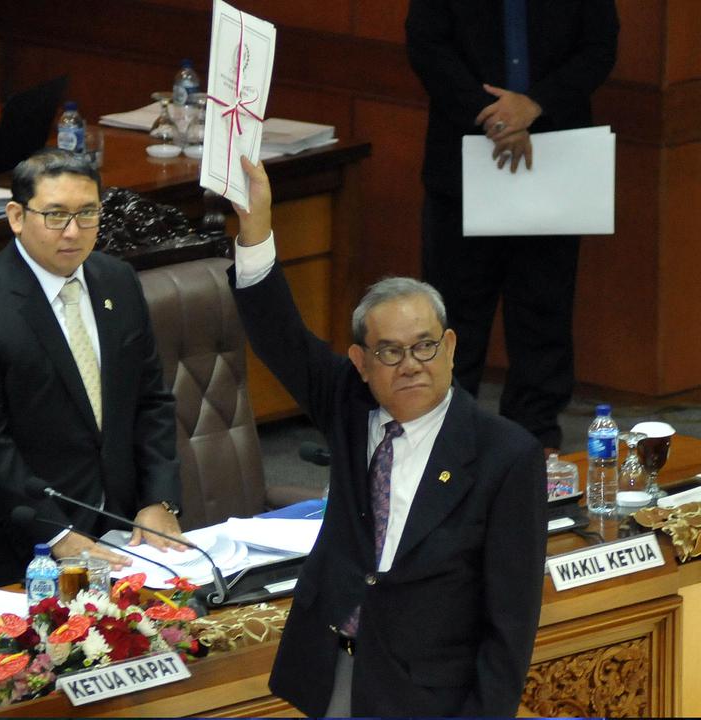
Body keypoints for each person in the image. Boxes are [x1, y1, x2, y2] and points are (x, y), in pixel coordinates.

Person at [229, 157, 547, 716]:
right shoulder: (351, 407)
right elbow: (282, 337)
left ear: (450, 347)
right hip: (335, 667)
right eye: (390, 352)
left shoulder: (505, 455)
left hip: (430, 692)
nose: (411, 365)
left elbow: (512, 623)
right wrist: (256, 232)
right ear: (361, 362)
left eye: (425, 346)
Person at [0, 150, 184, 587]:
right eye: (55, 215)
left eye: (87, 213)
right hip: (15, 551)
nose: (73, 231)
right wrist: (56, 532)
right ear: (16, 216)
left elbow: (151, 400)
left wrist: (159, 500)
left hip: (121, 538)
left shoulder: (118, 281)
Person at [406, 0, 619, 452]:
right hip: (463, 161)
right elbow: (428, 46)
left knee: (545, 310)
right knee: (454, 314)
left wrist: (534, 105)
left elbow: (598, 47)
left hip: (554, 155)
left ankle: (534, 442)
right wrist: (497, 116)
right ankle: (441, 441)